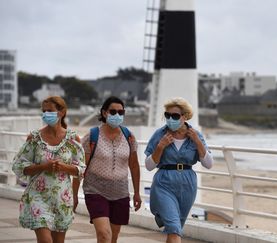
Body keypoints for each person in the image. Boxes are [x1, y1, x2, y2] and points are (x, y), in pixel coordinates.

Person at [12, 96, 86, 243]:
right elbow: (18, 166)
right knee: (46, 240)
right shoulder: (34, 138)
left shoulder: (73, 139)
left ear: (62, 112)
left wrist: (64, 167)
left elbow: (82, 170)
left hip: (62, 199)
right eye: (43, 111)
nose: (46, 114)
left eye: (50, 110)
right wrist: (43, 167)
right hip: (37, 197)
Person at [73, 96, 141, 243]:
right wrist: (74, 195)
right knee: (104, 234)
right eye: (113, 111)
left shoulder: (129, 137)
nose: (117, 115)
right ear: (104, 113)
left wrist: (136, 193)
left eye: (121, 112)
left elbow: (134, 166)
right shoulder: (92, 136)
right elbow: (80, 168)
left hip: (121, 193)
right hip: (95, 191)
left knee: (112, 239)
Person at [145, 97, 213, 243]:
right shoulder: (159, 135)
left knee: (175, 230)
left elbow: (208, 164)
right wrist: (160, 147)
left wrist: (197, 142)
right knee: (174, 228)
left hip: (188, 185)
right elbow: (149, 166)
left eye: (175, 116)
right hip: (164, 183)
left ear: (185, 116)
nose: (170, 119)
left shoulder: (195, 136)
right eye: (167, 115)